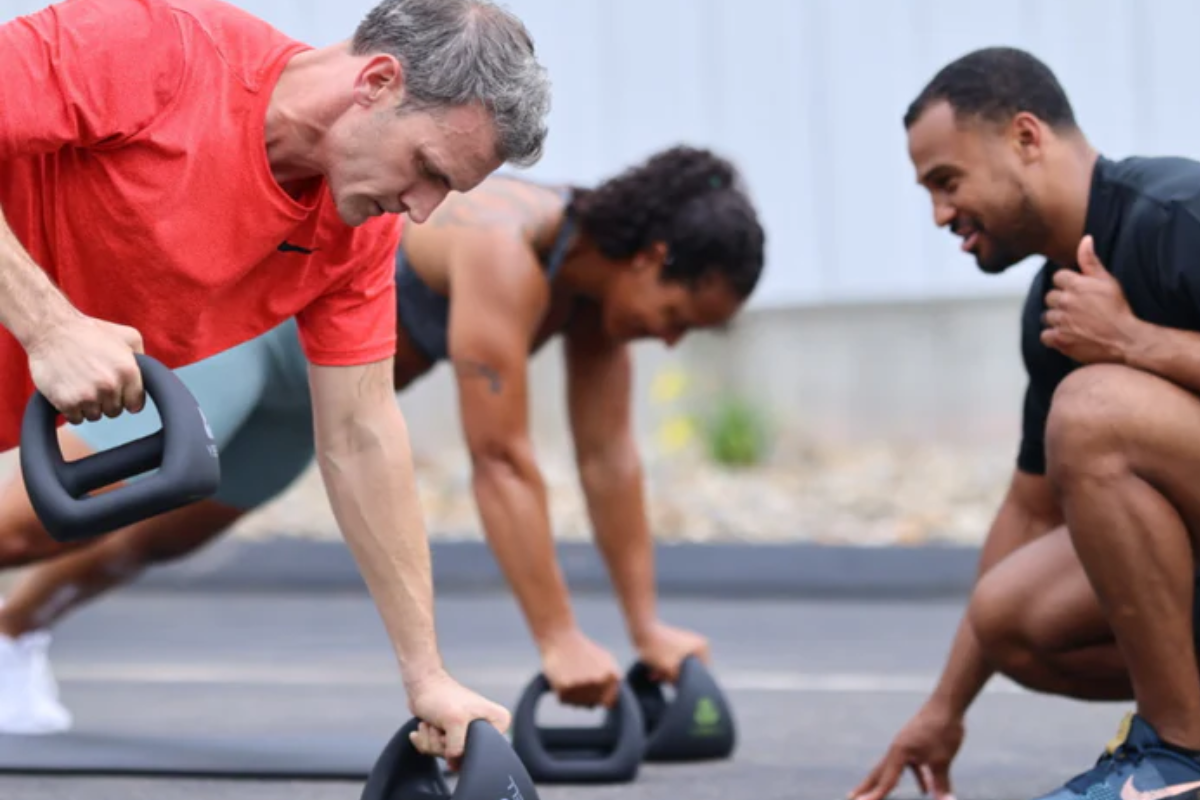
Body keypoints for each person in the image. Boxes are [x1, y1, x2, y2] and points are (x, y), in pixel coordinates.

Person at [0, 144, 766, 734]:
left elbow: (609, 464)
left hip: (309, 404)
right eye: (679, 316)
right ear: (653, 258)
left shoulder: (595, 304)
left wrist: (644, 629)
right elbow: (500, 461)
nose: (670, 341)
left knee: (154, 541)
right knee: (55, 510)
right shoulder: (507, 244)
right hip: (247, 338)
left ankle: (12, 638)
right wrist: (559, 639)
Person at [0, 0, 552, 764]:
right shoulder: (158, 51)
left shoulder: (355, 232)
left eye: (446, 192)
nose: (423, 211)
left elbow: (361, 435)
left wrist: (426, 674)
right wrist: (49, 324)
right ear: (379, 81)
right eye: (427, 170)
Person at [849, 46, 1200, 800]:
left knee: (1095, 409)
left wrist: (1137, 343)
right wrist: (945, 709)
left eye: (947, 182)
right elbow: (1030, 511)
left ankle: (1181, 760)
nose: (941, 215)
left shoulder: (1178, 214)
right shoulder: (1054, 306)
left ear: (1026, 139)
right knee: (1009, 615)